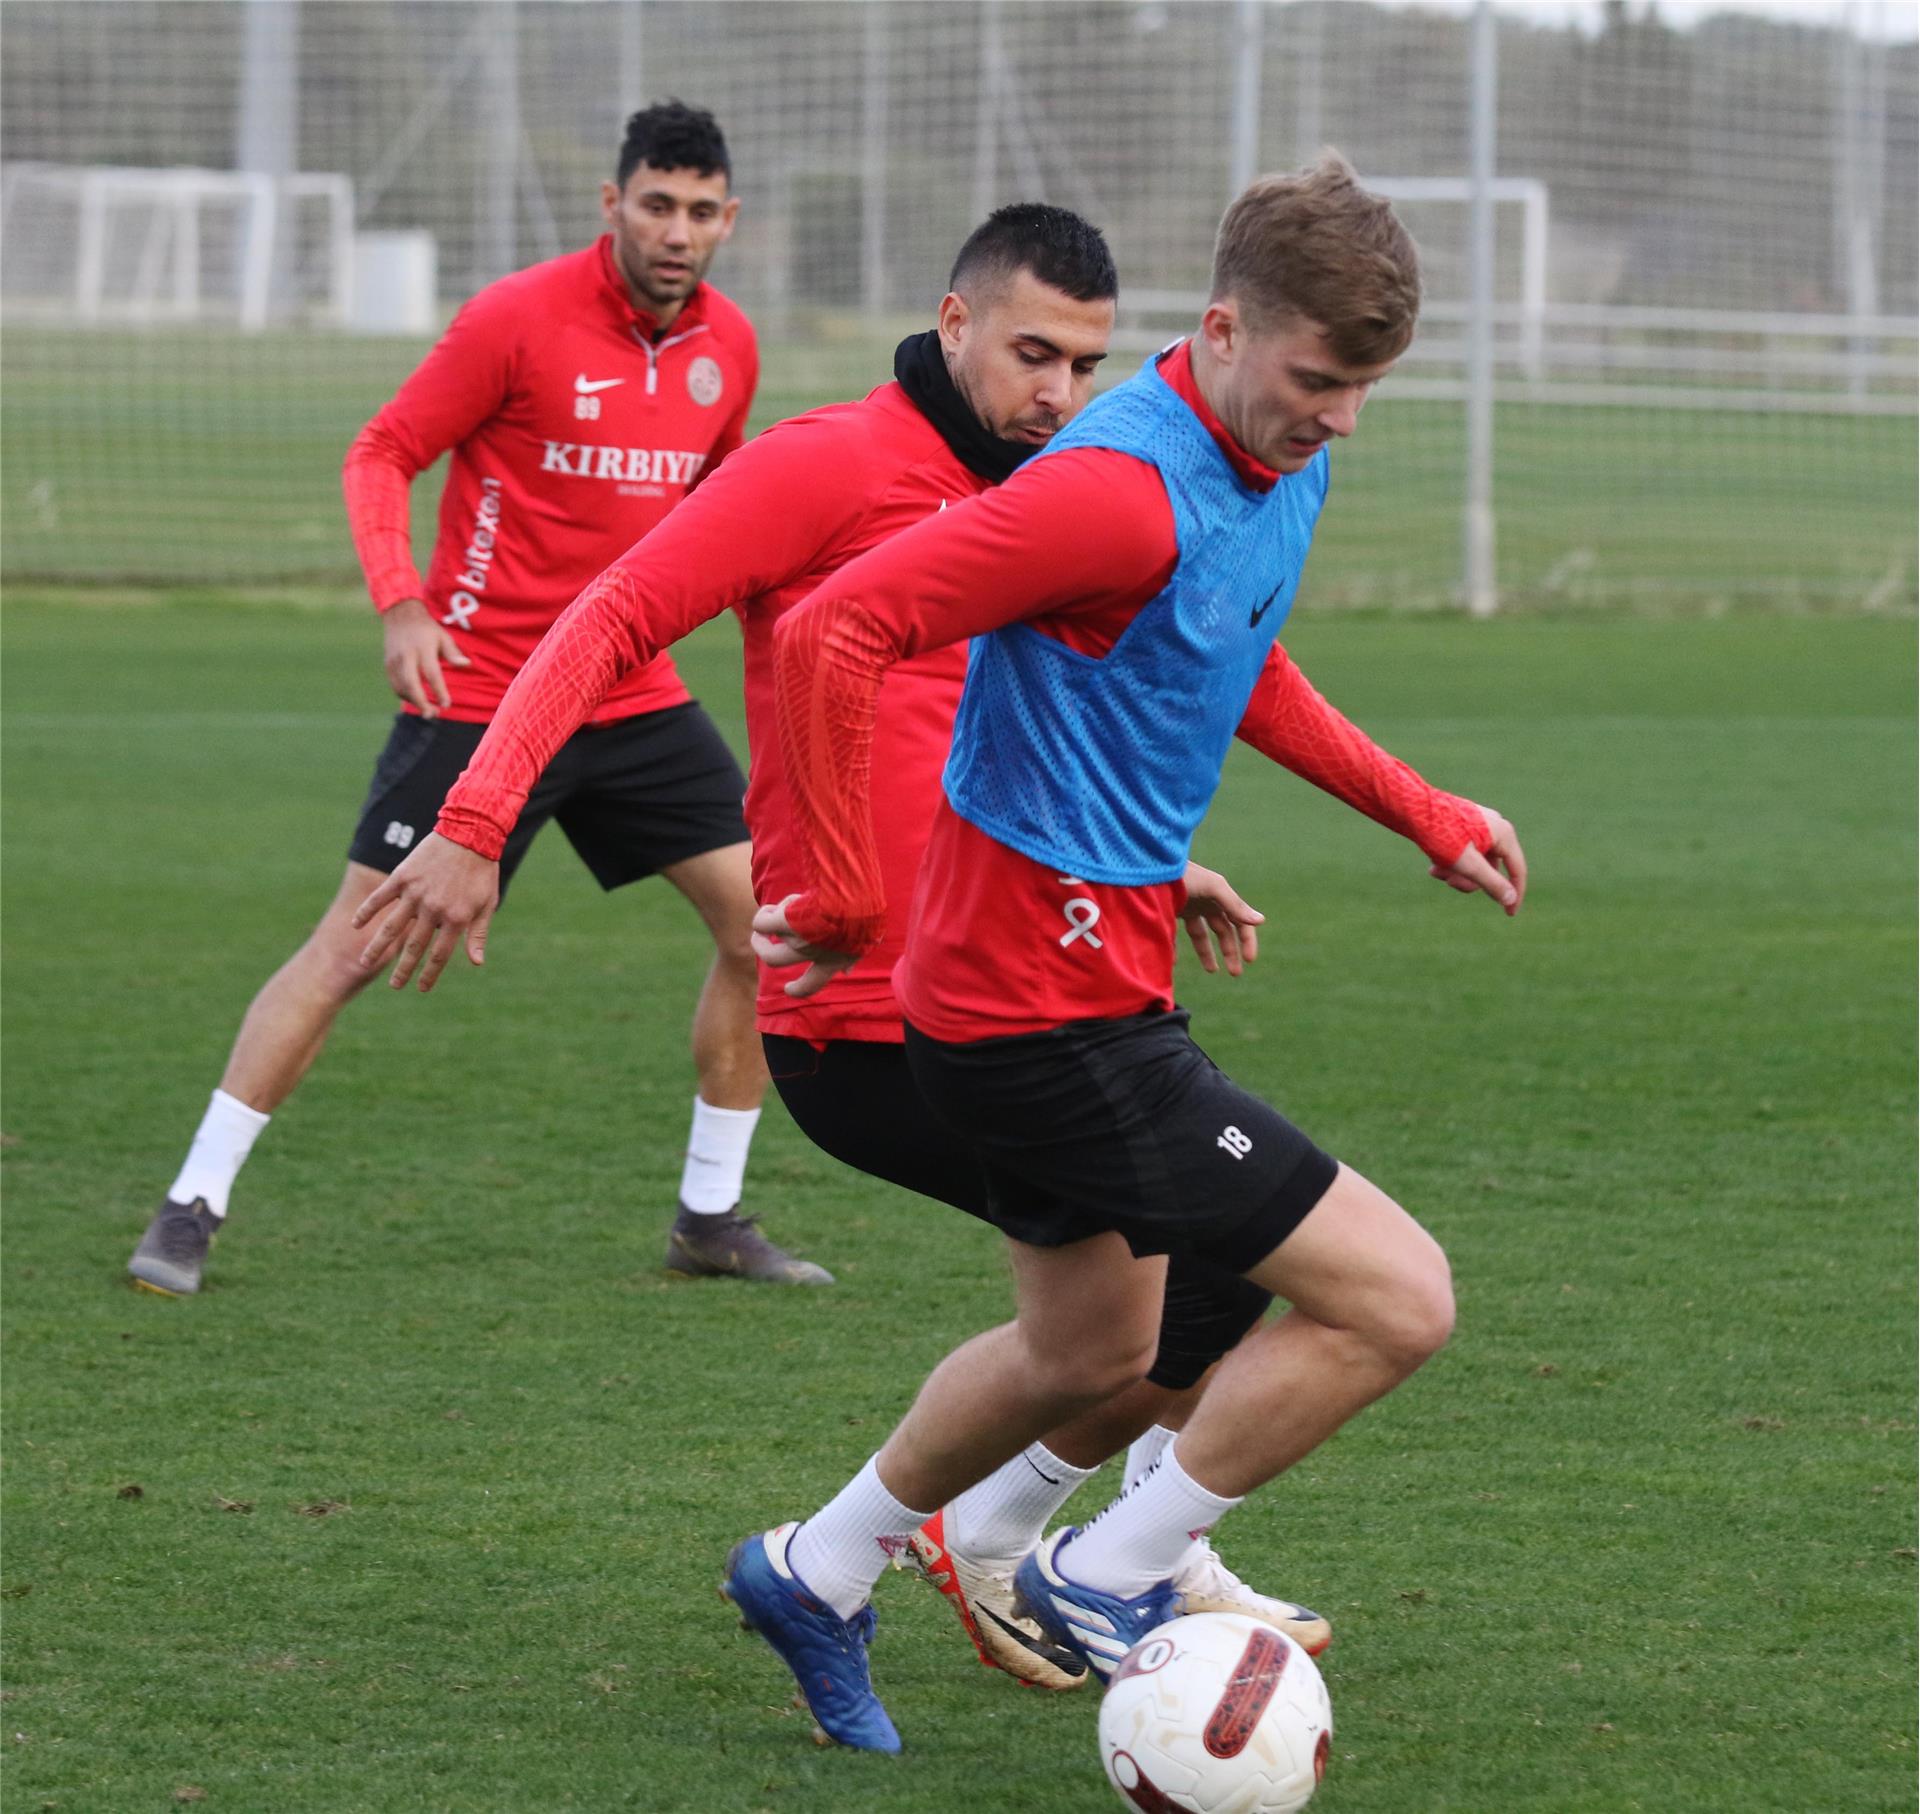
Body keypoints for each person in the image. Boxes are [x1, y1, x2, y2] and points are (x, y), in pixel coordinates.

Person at [349, 205, 1344, 1694]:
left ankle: (972, 1548)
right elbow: (612, 614)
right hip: (869, 1013)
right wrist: (479, 817)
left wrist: (1166, 855)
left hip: (1018, 970)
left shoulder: (1070, 488)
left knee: (1165, 1290)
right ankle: (1075, 1547)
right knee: (1211, 1251)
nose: (1060, 391)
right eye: (1033, 353)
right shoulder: (827, 463)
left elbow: (1130, 694)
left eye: (1084, 362)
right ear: (953, 322)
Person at [730, 153, 1529, 1752]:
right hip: (1033, 1010)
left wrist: (1418, 809)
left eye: (1365, 389)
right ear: (1223, 330)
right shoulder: (1107, 489)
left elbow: (1230, 645)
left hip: (1081, 982)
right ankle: (1111, 1570)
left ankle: (812, 1569)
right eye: (1317, 380)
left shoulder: (1274, 454)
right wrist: (836, 890)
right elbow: (835, 629)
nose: (1341, 419)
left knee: (1092, 1346)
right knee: (1397, 1298)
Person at [124, 101, 822, 1296]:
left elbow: (718, 504)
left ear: (729, 221)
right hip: (483, 692)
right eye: (657, 205)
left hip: (634, 696)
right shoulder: (516, 318)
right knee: (350, 947)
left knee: (768, 932)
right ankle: (191, 1202)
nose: (678, 231)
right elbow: (383, 449)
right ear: (613, 204)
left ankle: (710, 1215)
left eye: (702, 211)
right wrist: (402, 603)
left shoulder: (731, 347)